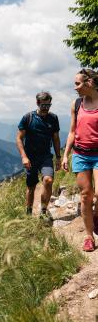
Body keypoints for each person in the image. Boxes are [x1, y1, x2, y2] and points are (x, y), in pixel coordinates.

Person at [62, 69, 98, 252]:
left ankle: (96, 216)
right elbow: (72, 132)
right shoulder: (76, 104)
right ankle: (89, 236)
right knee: (86, 195)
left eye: (78, 83)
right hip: (81, 154)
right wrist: (65, 154)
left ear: (89, 83)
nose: (75, 87)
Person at [16, 91, 61, 219]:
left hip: (46, 156)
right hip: (30, 157)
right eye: (44, 105)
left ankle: (43, 211)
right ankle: (29, 212)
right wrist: (24, 156)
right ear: (37, 103)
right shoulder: (28, 117)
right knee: (31, 186)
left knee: (48, 180)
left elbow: (56, 138)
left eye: (48, 105)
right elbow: (19, 138)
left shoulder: (53, 118)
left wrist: (58, 157)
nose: (46, 108)